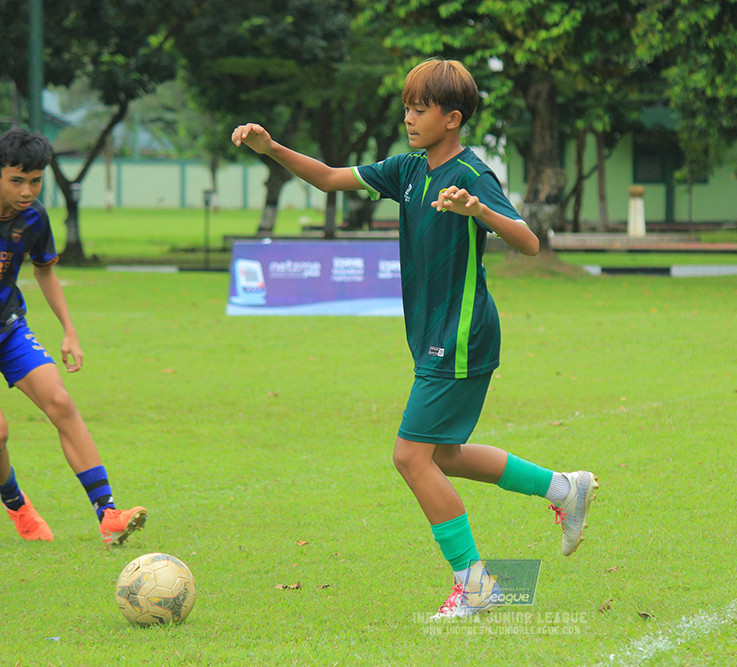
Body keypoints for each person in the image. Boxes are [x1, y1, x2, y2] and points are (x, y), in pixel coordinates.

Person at [232, 58, 598, 619]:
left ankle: (476, 586)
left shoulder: (473, 176)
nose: (409, 117)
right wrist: (272, 148)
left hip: (459, 337)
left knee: (410, 457)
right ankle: (563, 489)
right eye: (407, 106)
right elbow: (331, 177)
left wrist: (479, 211)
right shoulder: (407, 169)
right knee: (442, 456)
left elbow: (527, 242)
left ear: (452, 118)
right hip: (435, 334)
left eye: (419, 109)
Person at [0, 127, 146, 546]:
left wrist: (70, 330)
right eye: (16, 180)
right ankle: (17, 504)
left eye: (35, 181)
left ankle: (109, 515)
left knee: (61, 401)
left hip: (8, 326)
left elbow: (44, 270)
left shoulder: (34, 217)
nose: (28, 190)